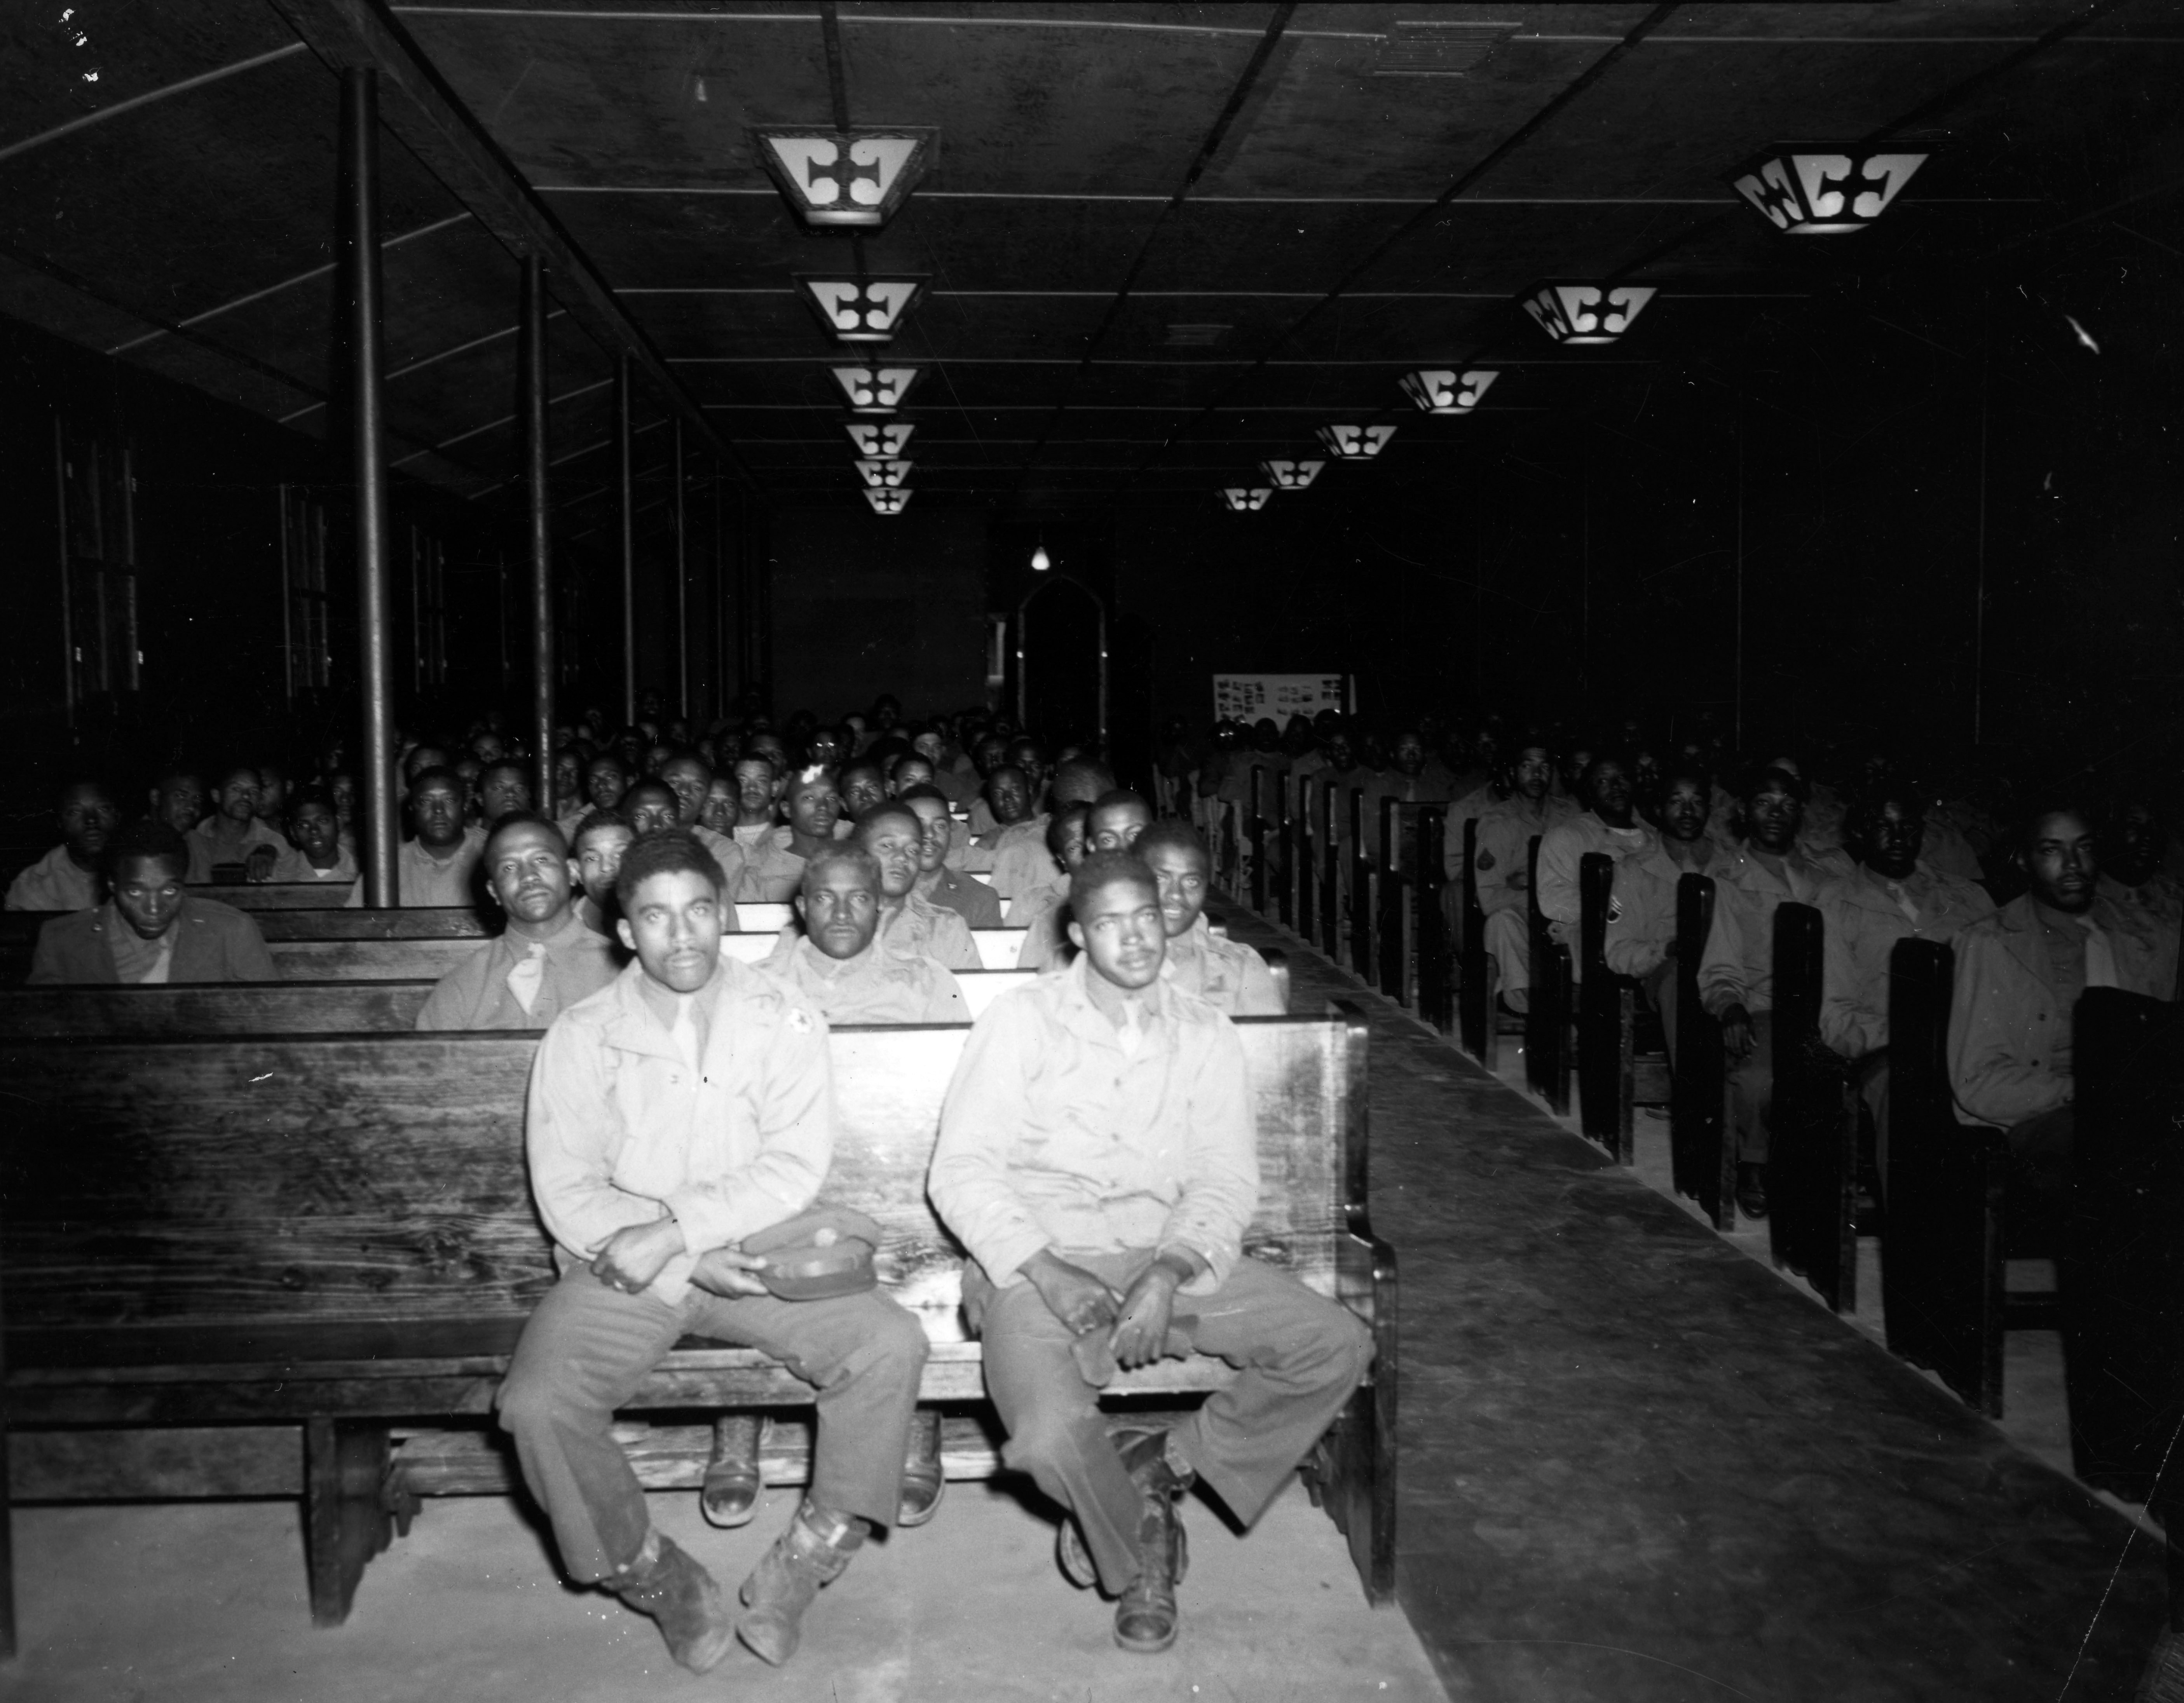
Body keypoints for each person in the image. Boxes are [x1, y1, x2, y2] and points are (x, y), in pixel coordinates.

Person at [495, 830, 930, 1673]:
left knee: (888, 1342)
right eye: (655, 917)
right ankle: (653, 1573)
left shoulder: (782, 1014)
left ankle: (805, 1557)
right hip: (627, 1266)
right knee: (537, 1403)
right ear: (626, 930)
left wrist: (682, 1229)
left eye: (698, 911)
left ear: (724, 914)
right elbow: (568, 1192)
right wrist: (681, 1252)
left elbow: (793, 1165)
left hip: (762, 1255)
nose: (681, 934)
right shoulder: (582, 1035)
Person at [928, 851, 1371, 1654]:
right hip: (1035, 1262)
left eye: (1145, 917)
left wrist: (1170, 1271)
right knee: (1044, 1435)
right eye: (1109, 922)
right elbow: (960, 1171)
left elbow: (1224, 1178)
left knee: (1335, 1342)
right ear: (1076, 932)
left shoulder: (1203, 1031)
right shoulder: (1022, 1020)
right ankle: (1141, 1548)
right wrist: (1043, 1266)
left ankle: (1164, 1461)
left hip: (1163, 1256)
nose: (1133, 938)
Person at [1947, 805, 2164, 1234]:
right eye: (2052, 850)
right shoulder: (1989, 943)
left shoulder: (2140, 935)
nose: (2071, 865)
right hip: (2040, 1121)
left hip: (2134, 1110)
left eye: (2083, 849)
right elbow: (1979, 1083)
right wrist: (2088, 1093)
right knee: (2118, 1153)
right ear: (2025, 861)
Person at [1812, 791, 1995, 1195]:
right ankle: (1915, 1238)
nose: (1898, 838)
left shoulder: (1966, 896)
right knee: (1909, 1105)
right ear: (1860, 833)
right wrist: (1914, 1040)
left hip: (1972, 1049)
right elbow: (1836, 1016)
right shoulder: (1834, 902)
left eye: (1908, 827)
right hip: (1887, 1052)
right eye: (1883, 827)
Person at [1698, 766, 1845, 1219]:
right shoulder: (1726, 877)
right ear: (1744, 811)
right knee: (1760, 1079)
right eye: (1764, 802)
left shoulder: (1831, 874)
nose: (1775, 813)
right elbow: (1720, 963)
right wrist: (1730, 1005)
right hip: (1764, 1005)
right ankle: (1754, 1165)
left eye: (1786, 804)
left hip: (1830, 1007)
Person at [415, 815, 619, 1030]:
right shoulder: (463, 985)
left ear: (572, 872)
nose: (528, 876)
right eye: (509, 867)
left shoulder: (620, 971)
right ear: (494, 891)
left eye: (541, 860)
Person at [29, 820, 276, 984]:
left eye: (169, 891)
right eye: (136, 893)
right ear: (112, 885)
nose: (155, 909)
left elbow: (268, 1016)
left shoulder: (231, 930)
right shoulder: (62, 940)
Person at [761, 844, 968, 1023]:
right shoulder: (758, 984)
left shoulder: (926, 981)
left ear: (879, 903)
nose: (842, 914)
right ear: (803, 907)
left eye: (858, 898)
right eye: (825, 898)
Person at [1529, 753, 1659, 991]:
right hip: (1595, 938)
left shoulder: (1655, 838)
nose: (1616, 787)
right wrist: (1619, 909)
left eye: (1622, 778)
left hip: (1652, 936)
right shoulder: (1567, 836)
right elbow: (1554, 901)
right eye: (1603, 781)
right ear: (1589, 792)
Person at [1470, 744, 1580, 1013]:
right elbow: (1491, 895)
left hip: (1567, 911)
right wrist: (1537, 895)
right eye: (1527, 766)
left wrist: (1529, 880)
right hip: (1523, 916)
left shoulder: (1571, 815)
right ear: (1512, 773)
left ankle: (1577, 1007)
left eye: (1543, 767)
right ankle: (1527, 1004)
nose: (1536, 774)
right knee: (1501, 922)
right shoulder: (1498, 821)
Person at [1136, 821, 1284, 1015]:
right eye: (1160, 879)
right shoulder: (1109, 960)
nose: (1176, 895)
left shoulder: (1240, 967)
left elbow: (1268, 1041)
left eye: (1191, 882)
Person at [857, 803, 981, 971]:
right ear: (858, 852)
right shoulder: (835, 920)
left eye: (913, 850)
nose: (902, 857)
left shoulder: (945, 928)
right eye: (887, 846)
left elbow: (962, 995)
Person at [2098, 798, 2182, 995]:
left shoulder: (2175, 898)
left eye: (2153, 828)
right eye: (2134, 825)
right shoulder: (2086, 903)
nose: (2147, 837)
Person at [901, 784, 1004, 928]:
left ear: (950, 832)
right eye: (918, 825)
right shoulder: (877, 892)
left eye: (940, 826)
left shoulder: (980, 897)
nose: (930, 834)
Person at [6, 781, 119, 911]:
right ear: (60, 822)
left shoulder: (137, 867)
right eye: (75, 812)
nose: (91, 820)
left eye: (102, 808)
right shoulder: (31, 887)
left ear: (117, 815)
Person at [738, 764, 838, 903]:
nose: (823, 806)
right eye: (809, 798)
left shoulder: (853, 858)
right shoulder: (760, 869)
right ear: (787, 809)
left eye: (831, 798)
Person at [1013, 804, 1093, 970]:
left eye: (1093, 840)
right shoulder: (1049, 921)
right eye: (1074, 848)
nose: (1088, 852)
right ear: (1063, 860)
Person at [397, 767, 486, 907]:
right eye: (426, 801)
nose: (438, 810)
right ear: (412, 809)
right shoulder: (392, 864)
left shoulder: (491, 853)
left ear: (465, 806)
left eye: (449, 800)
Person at [186, 765, 286, 884]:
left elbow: (303, 891)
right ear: (216, 796)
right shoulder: (191, 841)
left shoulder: (275, 843)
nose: (246, 796)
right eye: (236, 789)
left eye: (254, 791)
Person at [269, 787, 362, 902]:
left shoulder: (361, 874)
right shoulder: (279, 875)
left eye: (322, 821)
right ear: (293, 833)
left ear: (338, 823)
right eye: (303, 825)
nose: (314, 831)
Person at [571, 810, 635, 941]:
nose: (606, 867)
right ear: (577, 871)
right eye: (592, 859)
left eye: (621, 855)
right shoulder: (564, 934)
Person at [148, 768, 204, 838]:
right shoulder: (136, 842)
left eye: (197, 800)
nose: (191, 807)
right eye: (181, 796)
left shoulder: (199, 844)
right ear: (155, 797)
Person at [478, 760, 534, 828]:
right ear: (480, 799)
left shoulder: (542, 836)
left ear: (529, 796)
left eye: (519, 789)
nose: (510, 794)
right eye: (499, 788)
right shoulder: (466, 838)